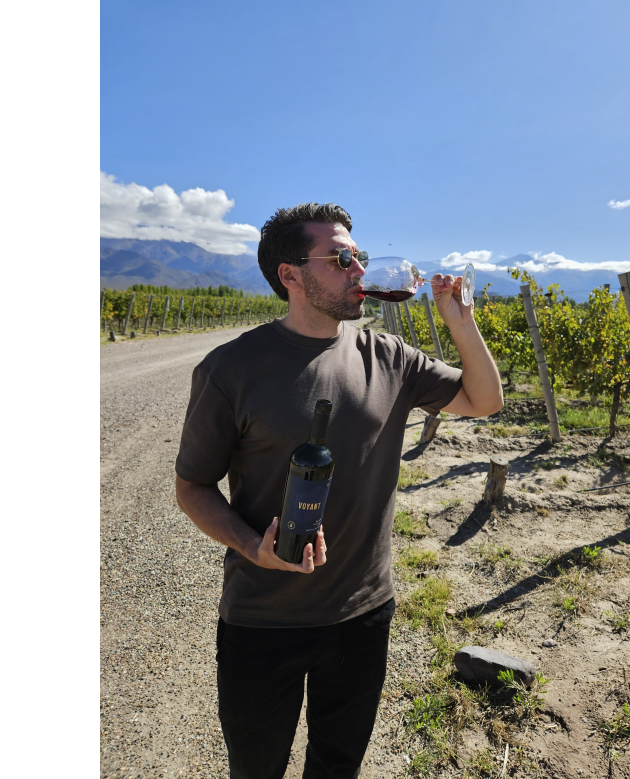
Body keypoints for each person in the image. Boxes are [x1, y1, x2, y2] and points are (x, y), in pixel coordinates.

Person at [175, 202, 503, 779]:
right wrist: (252, 547)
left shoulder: (390, 358)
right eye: (341, 259)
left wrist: (461, 322)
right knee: (255, 769)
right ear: (291, 275)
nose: (360, 270)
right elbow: (193, 485)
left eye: (360, 257)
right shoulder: (231, 369)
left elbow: (485, 401)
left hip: (362, 614)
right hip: (261, 617)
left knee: (337, 767)